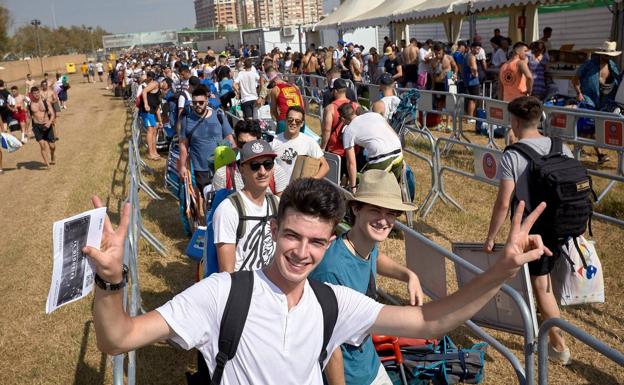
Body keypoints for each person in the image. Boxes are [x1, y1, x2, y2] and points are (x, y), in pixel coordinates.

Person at [84, 171, 551, 385]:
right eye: (292, 236)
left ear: (331, 241)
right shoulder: (222, 294)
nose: (302, 253)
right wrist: (111, 283)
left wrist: (502, 271)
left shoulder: (332, 303)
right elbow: (118, 338)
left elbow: (429, 321)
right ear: (273, 230)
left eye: (316, 242)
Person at [311, 170, 423, 385]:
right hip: (349, 376)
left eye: (391, 213)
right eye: (375, 210)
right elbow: (330, 345)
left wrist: (408, 275)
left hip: (369, 363)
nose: (384, 220)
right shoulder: (331, 270)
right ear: (355, 209)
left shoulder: (362, 244)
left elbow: (376, 258)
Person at [484, 96, 571, 365]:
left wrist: (491, 236)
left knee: (541, 288)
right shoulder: (560, 145)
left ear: (516, 121)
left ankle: (560, 346)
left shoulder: (513, 154)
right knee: (547, 284)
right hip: (562, 224)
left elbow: (503, 202)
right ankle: (546, 328)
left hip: (534, 230)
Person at [213, 139, 280, 273]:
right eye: (255, 165)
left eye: (268, 164)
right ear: (242, 169)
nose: (262, 171)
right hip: (244, 288)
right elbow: (227, 273)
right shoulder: (228, 210)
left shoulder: (277, 204)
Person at [571, 41, 621, 164]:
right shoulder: (589, 64)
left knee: (591, 128)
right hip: (588, 98)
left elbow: (618, 81)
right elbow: (575, 79)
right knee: (591, 125)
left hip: (603, 100)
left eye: (610, 55)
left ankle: (577, 149)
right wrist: (579, 93)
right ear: (601, 53)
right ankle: (598, 155)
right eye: (606, 54)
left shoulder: (612, 66)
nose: (608, 57)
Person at [179, 86, 235, 194]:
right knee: (206, 198)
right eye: (195, 103)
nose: (197, 105)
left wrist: (235, 163)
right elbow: (183, 145)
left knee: (222, 196)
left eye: (201, 102)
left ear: (207, 101)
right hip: (200, 168)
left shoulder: (219, 115)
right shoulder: (187, 119)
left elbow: (229, 139)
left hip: (221, 166)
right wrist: (182, 166)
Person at [212, 120, 289, 195]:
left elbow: (282, 205)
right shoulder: (223, 175)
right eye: (242, 144)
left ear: (260, 142)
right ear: (236, 143)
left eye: (251, 144)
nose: (246, 149)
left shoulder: (276, 172)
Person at [343, 111, 404, 191]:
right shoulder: (374, 115)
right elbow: (394, 134)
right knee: (392, 189)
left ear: (342, 119)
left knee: (367, 187)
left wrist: (353, 186)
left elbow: (351, 163)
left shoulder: (348, 131)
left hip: (381, 158)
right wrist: (403, 159)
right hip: (398, 154)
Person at [271, 105, 329, 181]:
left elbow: (325, 166)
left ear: (302, 124)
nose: (293, 123)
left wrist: (311, 181)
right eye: (290, 120)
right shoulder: (275, 141)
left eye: (297, 121)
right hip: (279, 190)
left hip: (298, 190)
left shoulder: (309, 142)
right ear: (285, 120)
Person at [268, 70, 304, 134]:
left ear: (274, 82)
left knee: (280, 143)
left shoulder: (276, 89)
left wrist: (279, 120)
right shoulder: (295, 86)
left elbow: (273, 110)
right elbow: (302, 105)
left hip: (285, 119)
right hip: (299, 119)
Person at [28, 86, 57, 169]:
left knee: (52, 146)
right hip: (37, 126)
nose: (36, 95)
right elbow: (29, 117)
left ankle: (52, 154)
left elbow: (52, 114)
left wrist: (49, 122)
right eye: (34, 93)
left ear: (39, 92)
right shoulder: (30, 104)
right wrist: (28, 129)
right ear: (31, 94)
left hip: (47, 125)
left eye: (37, 93)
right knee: (42, 145)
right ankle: (47, 164)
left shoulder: (45, 102)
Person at [140, 71, 163, 160]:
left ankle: (154, 151)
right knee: (150, 131)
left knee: (154, 131)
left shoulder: (158, 90)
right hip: (147, 112)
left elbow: (157, 107)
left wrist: (160, 121)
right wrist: (146, 104)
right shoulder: (154, 84)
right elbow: (144, 91)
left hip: (152, 112)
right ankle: (150, 153)